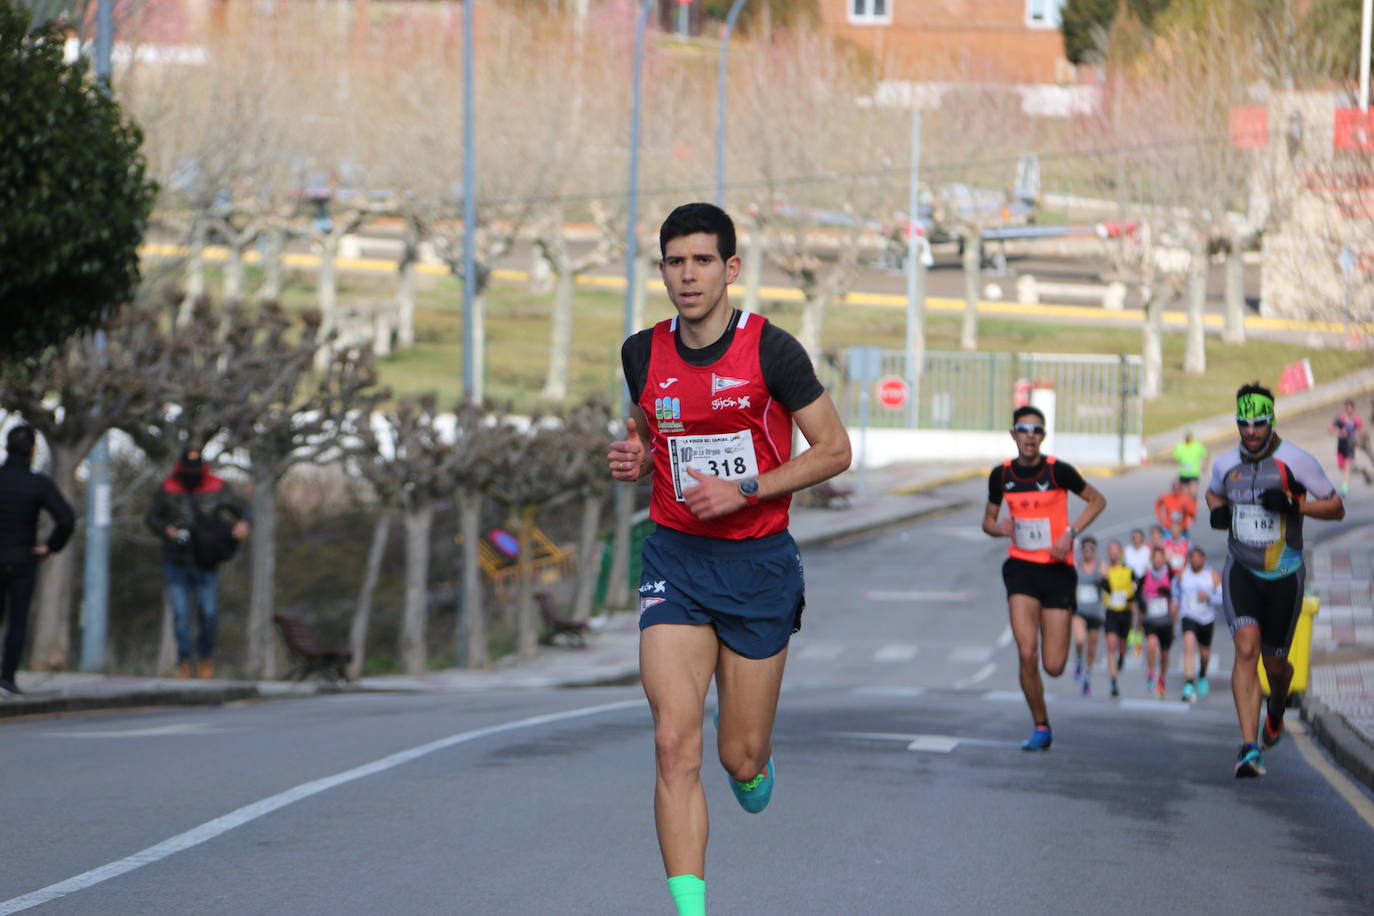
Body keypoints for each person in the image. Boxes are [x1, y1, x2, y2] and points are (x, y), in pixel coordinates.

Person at [605, 203, 851, 916]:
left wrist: (745, 488)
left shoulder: (773, 351)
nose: (688, 275)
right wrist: (633, 458)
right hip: (675, 559)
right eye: (676, 261)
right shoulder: (641, 352)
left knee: (736, 756)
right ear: (662, 271)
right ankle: (690, 910)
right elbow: (653, 437)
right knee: (671, 741)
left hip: (757, 565)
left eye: (703, 260)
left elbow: (835, 452)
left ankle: (753, 765)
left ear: (730, 269)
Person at [1206, 382, 1344, 778]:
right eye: (1244, 424)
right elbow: (1214, 494)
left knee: (1276, 667)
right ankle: (1250, 748)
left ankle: (1277, 707)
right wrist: (1218, 513)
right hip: (1242, 571)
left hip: (1284, 575)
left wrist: (1293, 505)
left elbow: (1336, 507)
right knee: (1245, 649)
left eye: (1259, 424)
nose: (1251, 432)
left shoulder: (1296, 461)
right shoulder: (1224, 464)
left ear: (1271, 422)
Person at [982, 405, 1107, 750]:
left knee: (1053, 666)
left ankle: (1062, 656)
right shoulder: (1001, 475)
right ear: (1013, 435)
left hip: (1057, 571)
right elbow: (988, 521)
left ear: (1043, 436)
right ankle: (1041, 725)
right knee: (1026, 653)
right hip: (1021, 568)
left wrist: (1070, 532)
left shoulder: (1059, 471)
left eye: (1036, 430)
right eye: (1023, 429)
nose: (1029, 436)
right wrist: (999, 527)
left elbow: (1097, 500)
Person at [144, 448, 251, 679]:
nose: (192, 473)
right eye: (188, 469)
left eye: (196, 469)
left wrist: (245, 524)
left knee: (209, 613)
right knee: (181, 614)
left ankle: (205, 659)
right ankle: (184, 662)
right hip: (176, 560)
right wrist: (166, 530)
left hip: (206, 560)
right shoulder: (168, 487)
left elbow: (244, 509)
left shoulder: (217, 486)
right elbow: (151, 517)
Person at [0, 426, 75, 696]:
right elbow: (66, 519)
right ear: (32, 450)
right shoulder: (37, 484)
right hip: (22, 559)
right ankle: (6, 678)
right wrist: (49, 548)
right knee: (17, 620)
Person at [1176, 546, 1222, 703]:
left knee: (1204, 653)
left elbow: (1222, 598)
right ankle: (1189, 683)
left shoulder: (1212, 575)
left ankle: (1202, 674)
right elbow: (1176, 592)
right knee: (1188, 647)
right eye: (1192, 558)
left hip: (1206, 618)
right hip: (1188, 616)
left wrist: (1208, 596)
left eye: (1198, 558)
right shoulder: (1184, 574)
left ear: (1203, 559)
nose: (1195, 561)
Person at [1139, 545, 1177, 699]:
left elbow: (1177, 596)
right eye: (1155, 557)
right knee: (1151, 645)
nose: (1158, 561)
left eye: (1161, 558)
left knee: (1165, 654)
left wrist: (1168, 595)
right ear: (1152, 559)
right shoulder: (1145, 575)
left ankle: (1162, 676)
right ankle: (1150, 673)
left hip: (1166, 621)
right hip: (1151, 620)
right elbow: (1139, 595)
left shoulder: (1170, 575)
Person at [1071, 536, 1105, 696]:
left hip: (1095, 613)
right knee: (1080, 639)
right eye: (1084, 548)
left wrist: (1104, 577)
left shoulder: (1100, 567)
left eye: (1091, 548)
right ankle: (1078, 660)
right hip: (1079, 611)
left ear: (1095, 550)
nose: (1087, 551)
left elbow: (1109, 582)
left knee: (1091, 648)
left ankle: (1087, 675)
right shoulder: (1076, 566)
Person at [1102, 540, 1135, 697]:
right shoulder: (1105, 570)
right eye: (1111, 550)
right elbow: (1101, 586)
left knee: (1121, 645)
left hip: (1125, 612)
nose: (1113, 553)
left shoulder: (1129, 570)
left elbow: (1138, 588)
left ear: (1120, 552)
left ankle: (1122, 656)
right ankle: (1113, 681)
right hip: (1111, 612)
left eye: (1115, 550)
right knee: (1110, 645)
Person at [1122, 528, 1150, 657]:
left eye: (1138, 538)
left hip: (1143, 587)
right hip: (1130, 586)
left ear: (1142, 539)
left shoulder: (1147, 551)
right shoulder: (1127, 550)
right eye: (1134, 538)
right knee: (1132, 613)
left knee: (1140, 617)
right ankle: (1130, 638)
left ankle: (1138, 641)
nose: (1136, 541)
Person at [1331, 399, 1363, 497]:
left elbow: (1358, 432)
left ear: (1353, 409)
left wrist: (1356, 437)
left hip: (1350, 447)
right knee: (1341, 467)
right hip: (1341, 447)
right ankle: (1356, 470)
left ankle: (1344, 489)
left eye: (1351, 408)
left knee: (1347, 468)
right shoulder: (1340, 419)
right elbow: (1331, 428)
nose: (1349, 410)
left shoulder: (1356, 420)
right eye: (1347, 408)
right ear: (1345, 409)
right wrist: (1339, 432)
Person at [1173, 429, 1208, 496]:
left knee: (1192, 492)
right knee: (1184, 495)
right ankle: (1186, 505)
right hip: (1183, 473)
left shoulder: (1197, 446)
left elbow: (1206, 456)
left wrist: (1205, 466)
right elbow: (1176, 459)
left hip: (1194, 473)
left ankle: (1193, 504)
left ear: (1192, 437)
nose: (1188, 437)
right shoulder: (1180, 446)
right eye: (1187, 436)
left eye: (1190, 436)